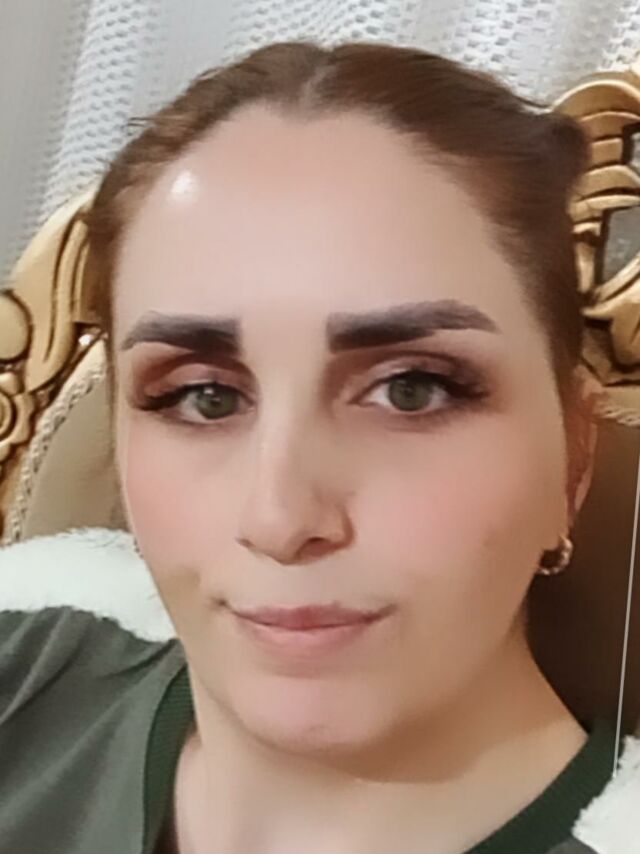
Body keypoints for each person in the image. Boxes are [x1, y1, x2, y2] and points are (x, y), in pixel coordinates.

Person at [1, 40, 637, 854]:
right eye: (204, 397)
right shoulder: (28, 651)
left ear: (574, 458)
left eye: (412, 390)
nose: (280, 520)